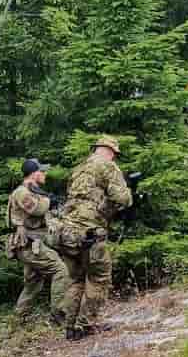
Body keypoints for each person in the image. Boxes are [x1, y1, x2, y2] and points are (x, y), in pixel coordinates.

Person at [57, 136, 134, 339]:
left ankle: (70, 327)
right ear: (110, 151)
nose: (115, 158)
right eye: (115, 155)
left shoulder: (78, 169)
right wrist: (128, 191)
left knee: (76, 280)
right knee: (99, 278)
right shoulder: (108, 167)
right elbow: (123, 198)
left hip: (67, 232)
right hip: (91, 231)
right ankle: (86, 324)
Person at [5, 156, 67, 325]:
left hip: (33, 245)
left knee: (34, 282)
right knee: (60, 269)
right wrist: (49, 200)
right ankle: (59, 315)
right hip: (27, 245)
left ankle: (17, 321)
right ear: (33, 173)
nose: (45, 174)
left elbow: (46, 217)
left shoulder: (33, 191)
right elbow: (37, 209)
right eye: (42, 171)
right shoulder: (22, 192)